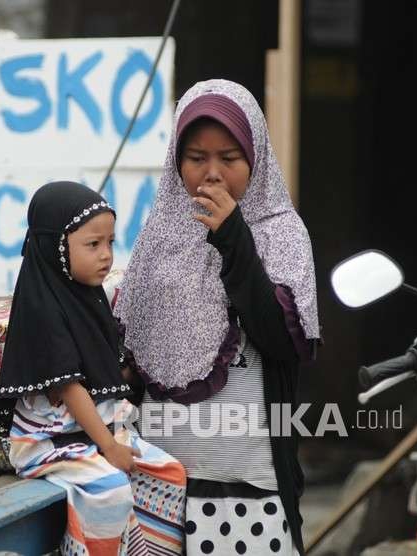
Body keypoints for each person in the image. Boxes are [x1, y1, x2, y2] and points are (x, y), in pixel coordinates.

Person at [115, 79, 320, 555]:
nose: (212, 174)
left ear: (255, 157)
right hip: (157, 488)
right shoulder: (160, 234)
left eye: (229, 159)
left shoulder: (282, 233)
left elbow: (283, 342)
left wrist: (233, 238)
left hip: (249, 492)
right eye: (195, 158)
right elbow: (131, 352)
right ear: (175, 161)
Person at [0, 181, 187, 555]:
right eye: (92, 244)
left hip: (96, 429)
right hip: (53, 438)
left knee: (169, 474)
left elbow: (103, 371)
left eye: (110, 242)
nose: (106, 255)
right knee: (109, 491)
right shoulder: (42, 307)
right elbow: (70, 388)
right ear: (56, 248)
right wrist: (110, 447)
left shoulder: (87, 294)